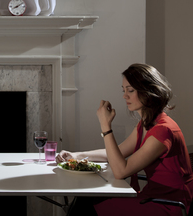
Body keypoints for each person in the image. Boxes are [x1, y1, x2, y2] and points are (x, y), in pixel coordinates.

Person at [57, 63, 193, 215]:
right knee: (85, 199)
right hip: (151, 197)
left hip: (167, 206)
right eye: (124, 90)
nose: (124, 96)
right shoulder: (146, 124)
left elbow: (121, 171)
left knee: (87, 204)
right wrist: (76, 156)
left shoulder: (163, 131)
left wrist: (105, 126)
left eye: (130, 90)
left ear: (148, 91)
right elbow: (117, 153)